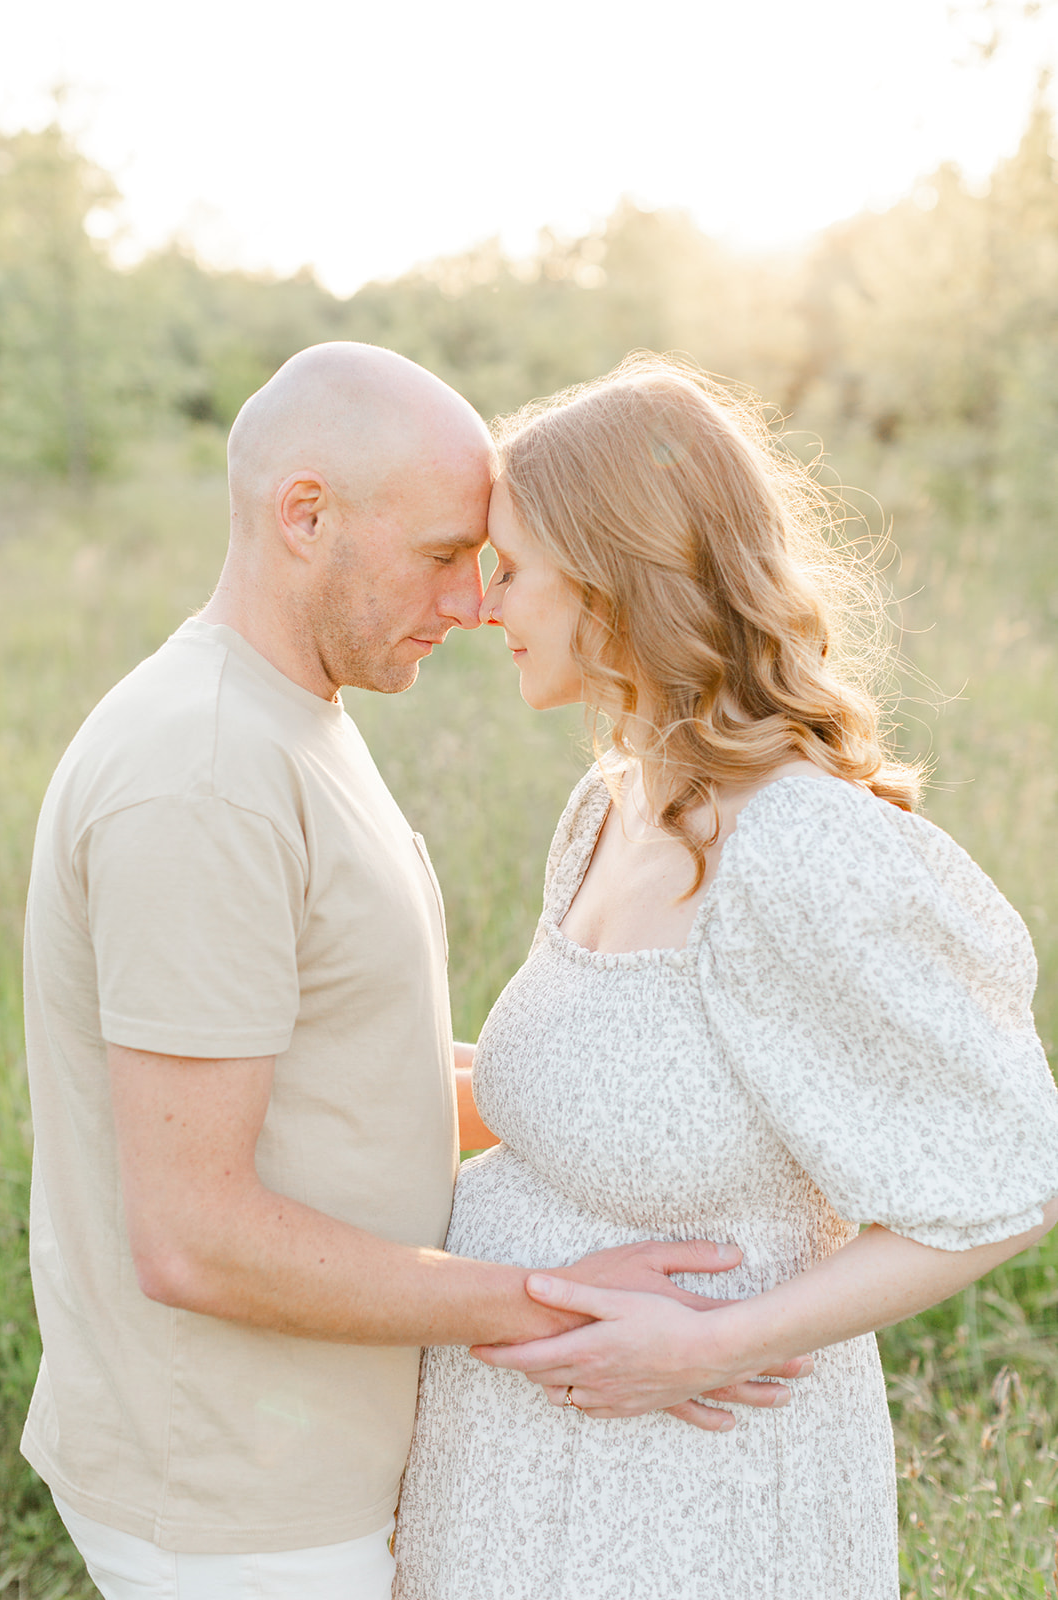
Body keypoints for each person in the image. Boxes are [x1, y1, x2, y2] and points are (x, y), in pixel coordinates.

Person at [21, 342, 805, 1600]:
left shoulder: (295, 717)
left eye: (487, 565)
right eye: (444, 553)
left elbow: (346, 1080)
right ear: (305, 514)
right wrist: (549, 1302)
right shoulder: (204, 773)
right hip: (238, 1501)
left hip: (320, 1456)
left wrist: (690, 1093)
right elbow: (192, 1238)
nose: (475, 603)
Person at [392, 353, 1058, 1599]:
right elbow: (579, 1087)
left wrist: (711, 1344)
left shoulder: (803, 850)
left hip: (690, 1499)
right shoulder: (608, 804)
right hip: (508, 1474)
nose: (486, 607)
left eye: (513, 568)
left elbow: (1004, 1177)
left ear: (614, 585)